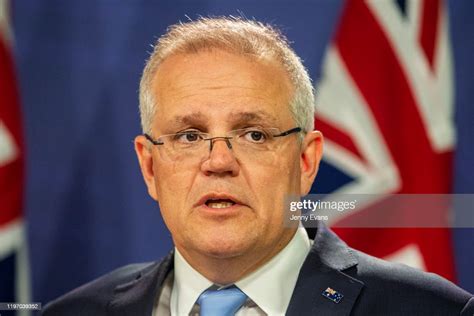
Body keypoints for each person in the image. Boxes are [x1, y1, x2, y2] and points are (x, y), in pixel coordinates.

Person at [43, 17, 473, 316]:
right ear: (150, 167)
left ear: (306, 161)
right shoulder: (75, 312)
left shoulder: (433, 310)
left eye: (254, 135)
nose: (219, 162)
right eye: (189, 137)